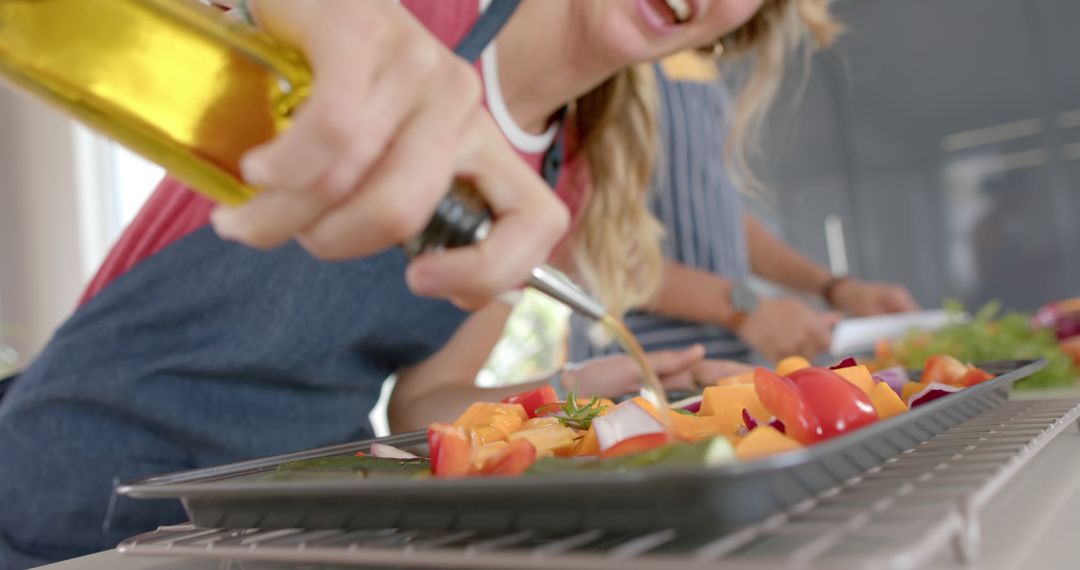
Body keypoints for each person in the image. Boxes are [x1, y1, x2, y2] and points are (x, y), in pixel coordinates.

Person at [0, 0, 839, 567]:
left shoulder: (563, 180)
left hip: (275, 527)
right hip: (64, 483)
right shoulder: (427, 17)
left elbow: (427, 401)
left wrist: (561, 398)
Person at [570, 50, 918, 367]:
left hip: (724, 361)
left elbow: (722, 221)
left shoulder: (703, 65)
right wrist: (749, 308)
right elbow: (590, 245)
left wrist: (834, 288)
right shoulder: (614, 53)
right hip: (638, 370)